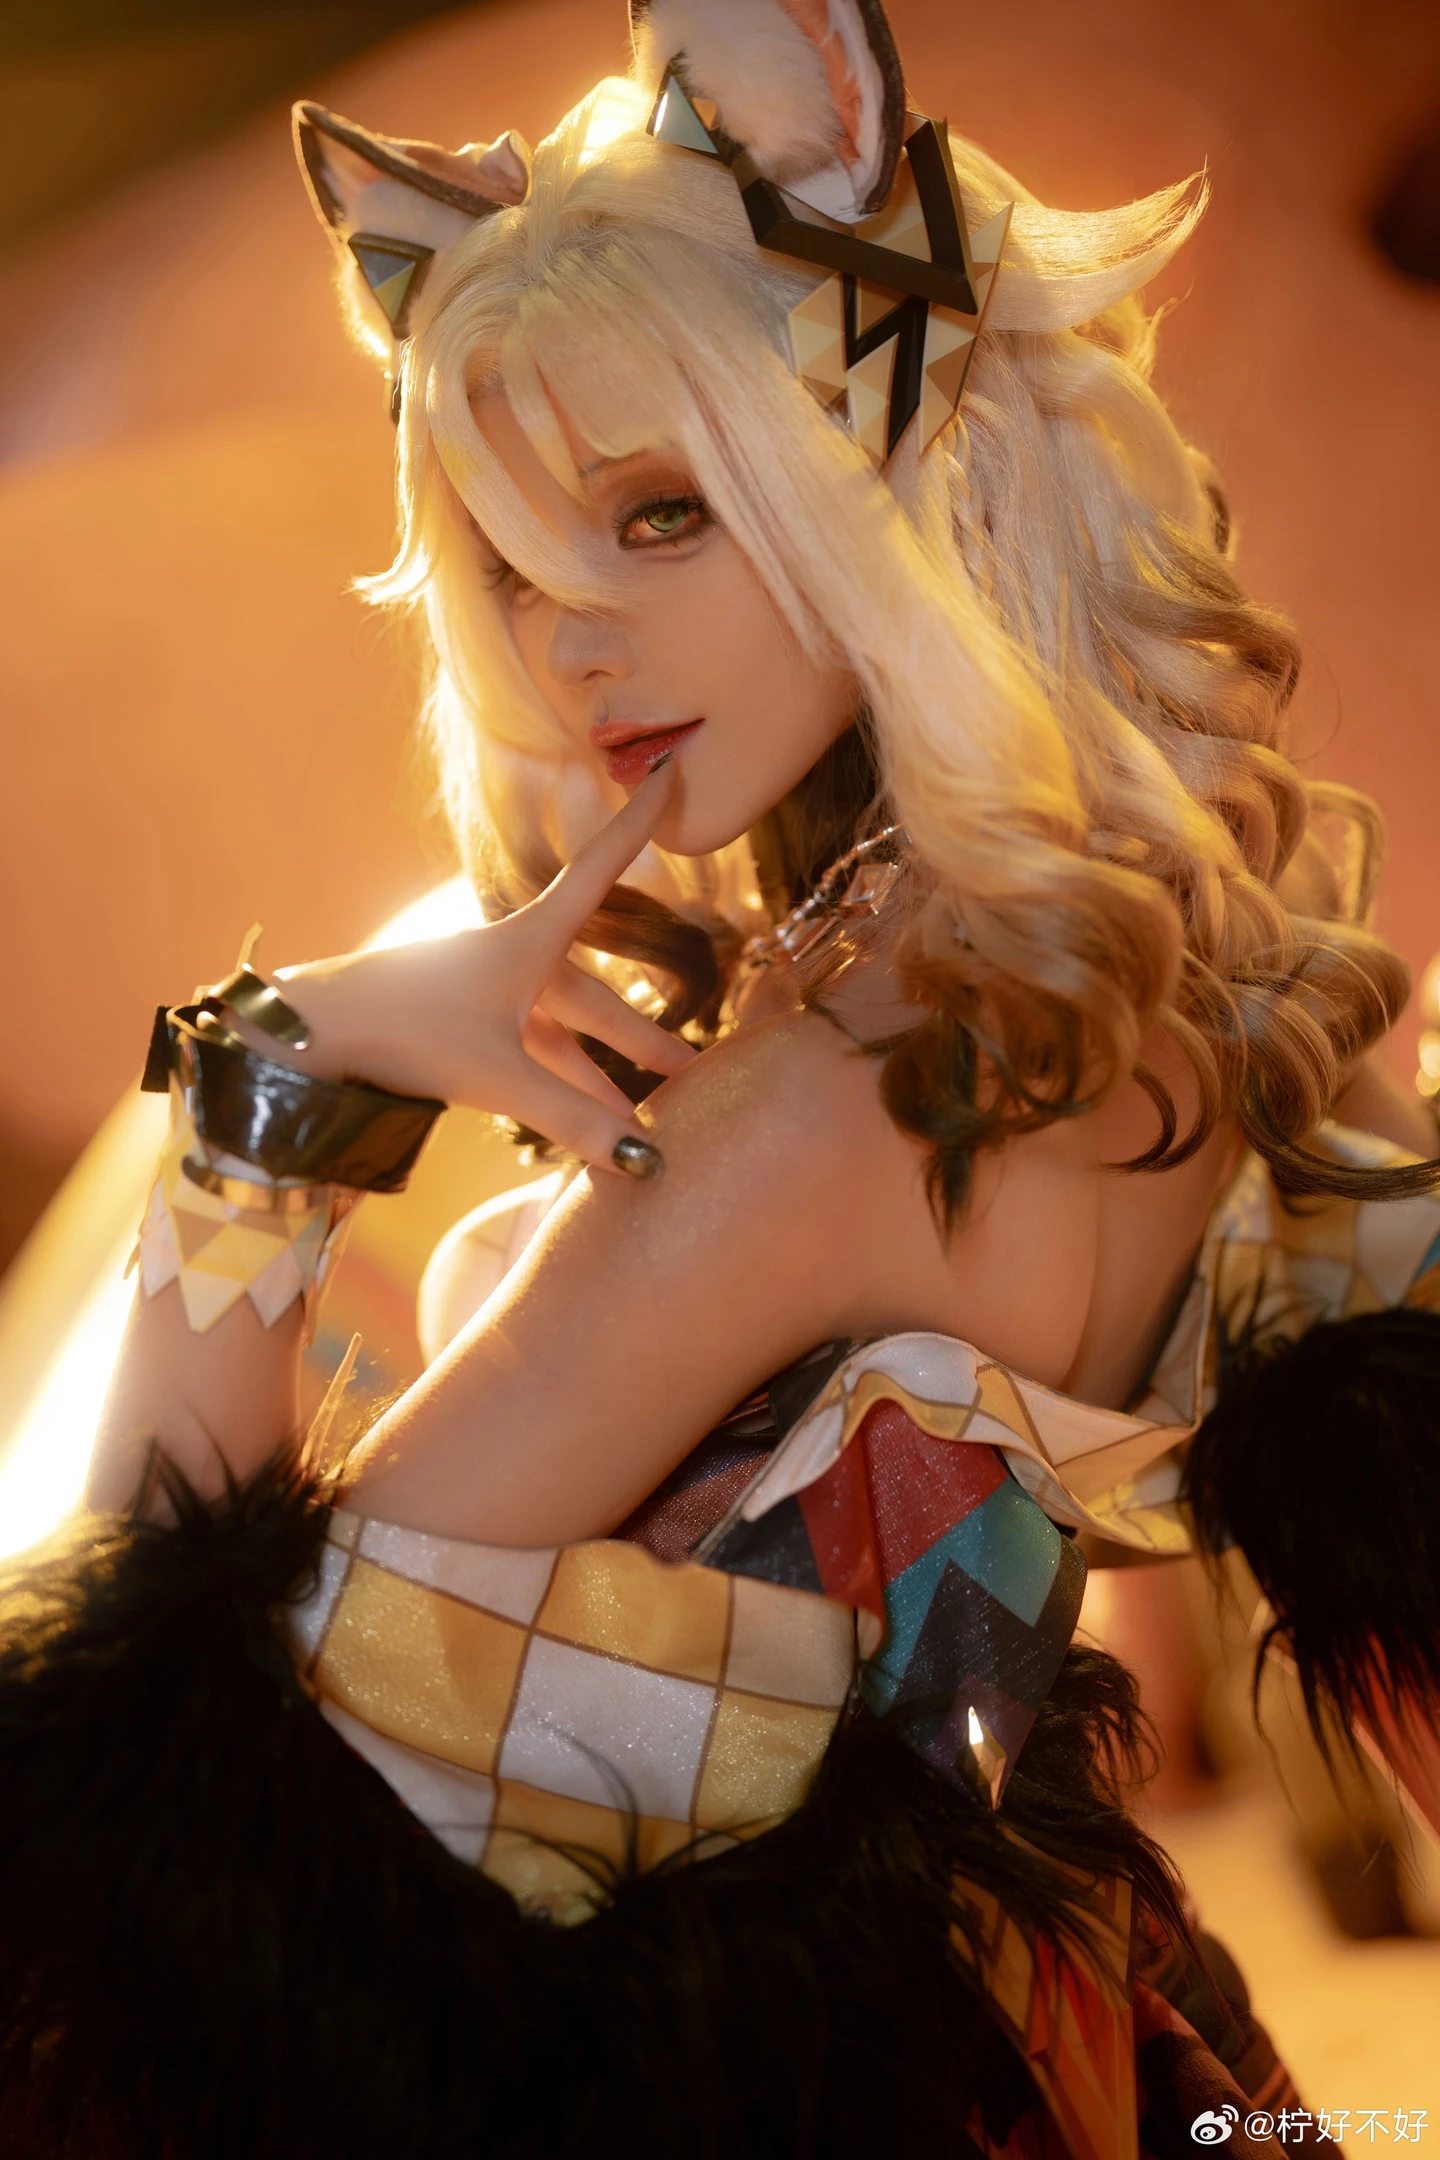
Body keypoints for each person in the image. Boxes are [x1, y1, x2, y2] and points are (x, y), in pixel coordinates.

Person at [4, 3, 1439, 2153]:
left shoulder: (822, 1102)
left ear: (879, 464)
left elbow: (178, 1756)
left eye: (660, 513)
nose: (568, 639)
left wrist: (278, 1075)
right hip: (1079, 2029)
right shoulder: (1153, 967)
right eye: (512, 562)